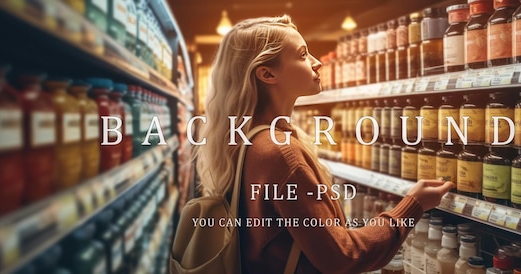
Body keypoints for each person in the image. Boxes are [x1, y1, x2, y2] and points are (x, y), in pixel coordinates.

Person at [192, 15, 455, 274]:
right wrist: (412, 205)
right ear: (267, 73)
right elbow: (343, 257)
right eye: (303, 54)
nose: (317, 63)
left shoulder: (247, 138)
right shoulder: (280, 152)